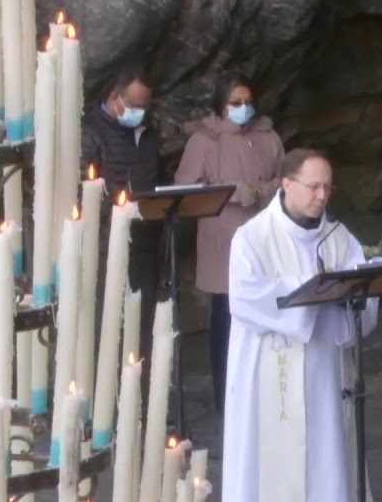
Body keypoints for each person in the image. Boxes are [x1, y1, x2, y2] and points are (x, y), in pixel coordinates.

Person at [221, 148, 379, 502]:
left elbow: (362, 287)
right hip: (275, 372)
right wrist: (310, 292)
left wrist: (359, 294)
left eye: (328, 186)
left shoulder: (338, 238)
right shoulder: (252, 238)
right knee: (280, 454)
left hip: (326, 369)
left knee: (328, 449)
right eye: (313, 186)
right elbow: (247, 298)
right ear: (285, 184)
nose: (322, 195)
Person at [173, 72, 284, 415]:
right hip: (224, 239)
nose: (243, 108)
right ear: (220, 106)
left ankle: (266, 397)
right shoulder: (204, 141)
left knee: (267, 317)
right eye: (235, 103)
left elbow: (287, 176)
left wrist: (266, 190)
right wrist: (230, 190)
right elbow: (185, 189)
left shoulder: (267, 134)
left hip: (264, 235)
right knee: (225, 319)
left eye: (248, 101)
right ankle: (227, 401)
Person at [80, 65, 163, 400]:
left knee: (142, 329)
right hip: (106, 246)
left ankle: (138, 400)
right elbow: (84, 188)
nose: (139, 112)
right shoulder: (91, 134)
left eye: (145, 106)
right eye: (134, 104)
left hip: (145, 244)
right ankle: (106, 402)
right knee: (107, 328)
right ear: (115, 98)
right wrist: (120, 207)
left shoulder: (148, 132)